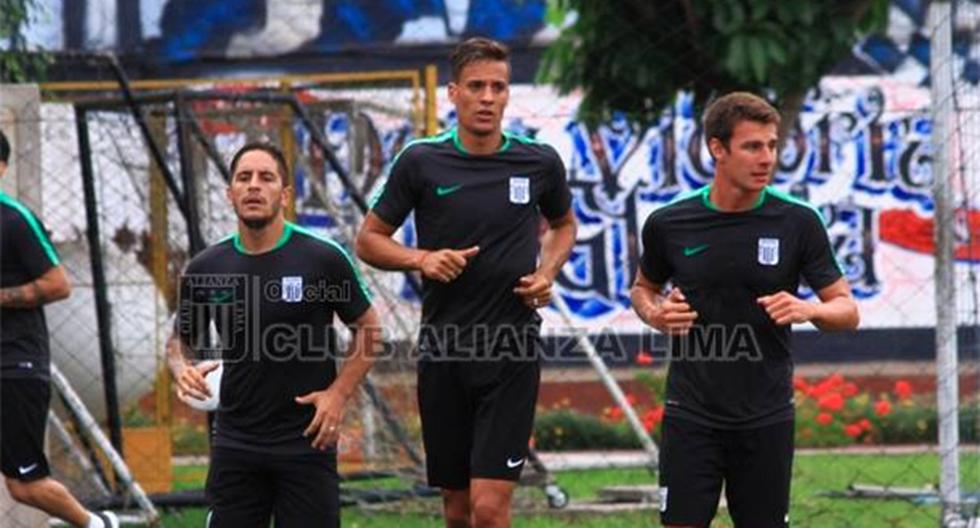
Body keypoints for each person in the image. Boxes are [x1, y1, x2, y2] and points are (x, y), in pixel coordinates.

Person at [355, 37, 577, 528]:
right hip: (444, 350)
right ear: (453, 94)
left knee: (489, 509)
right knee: (457, 511)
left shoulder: (537, 162)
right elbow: (369, 240)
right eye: (476, 86)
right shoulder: (420, 161)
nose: (488, 97)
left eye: (498, 87)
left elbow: (564, 225)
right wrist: (423, 259)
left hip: (511, 349)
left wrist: (546, 272)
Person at [630, 92, 860, 528]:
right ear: (718, 149)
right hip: (691, 410)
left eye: (772, 146)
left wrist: (807, 308)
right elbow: (643, 288)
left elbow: (847, 310)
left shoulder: (798, 221)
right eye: (753, 146)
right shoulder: (669, 223)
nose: (767, 158)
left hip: (767, 412)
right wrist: (656, 313)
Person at [167, 142, 381, 527]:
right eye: (243, 178)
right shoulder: (206, 268)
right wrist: (181, 367)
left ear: (284, 194)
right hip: (235, 443)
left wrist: (338, 394)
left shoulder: (321, 258)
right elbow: (179, 341)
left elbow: (369, 329)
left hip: (307, 441)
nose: (253, 186)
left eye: (266, 178)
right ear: (230, 193)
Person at [0, 130, 118, 528]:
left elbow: (58, 284)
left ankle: (96, 524)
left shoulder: (15, 220)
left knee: (25, 485)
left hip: (12, 367)